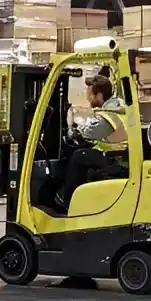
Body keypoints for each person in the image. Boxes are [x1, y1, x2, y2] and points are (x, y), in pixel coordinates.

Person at [54, 74, 128, 212]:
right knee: (85, 154)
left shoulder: (108, 116)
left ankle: (67, 201)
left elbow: (86, 133)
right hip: (121, 156)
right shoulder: (118, 108)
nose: (88, 98)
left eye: (89, 94)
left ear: (99, 95)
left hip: (118, 160)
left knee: (79, 156)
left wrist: (71, 129)